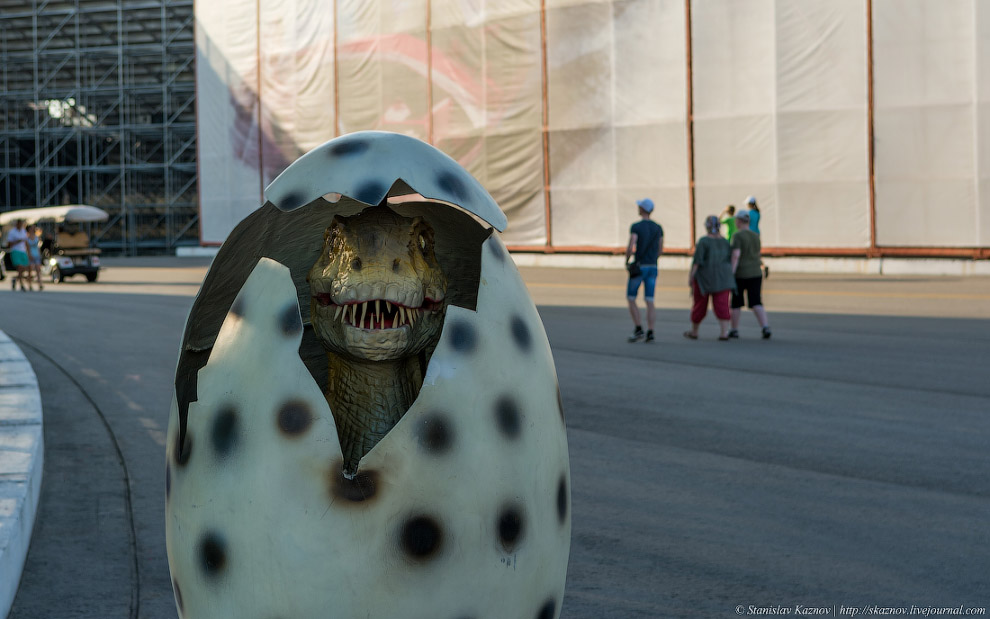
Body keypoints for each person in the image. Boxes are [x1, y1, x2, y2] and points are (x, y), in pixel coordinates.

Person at [684, 215, 735, 341]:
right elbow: (731, 258)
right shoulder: (724, 241)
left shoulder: (703, 241)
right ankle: (724, 332)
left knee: (700, 304)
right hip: (723, 278)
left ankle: (694, 331)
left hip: (704, 278)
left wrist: (691, 277)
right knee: (722, 304)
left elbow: (697, 261)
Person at [625, 198, 664, 342]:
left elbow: (631, 245)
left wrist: (628, 258)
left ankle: (638, 328)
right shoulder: (658, 228)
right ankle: (651, 330)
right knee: (650, 300)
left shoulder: (636, 226)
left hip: (640, 266)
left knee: (631, 298)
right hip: (653, 266)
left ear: (642, 209)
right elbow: (660, 249)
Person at [729, 210, 771, 339]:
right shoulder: (755, 236)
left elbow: (736, 255)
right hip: (756, 273)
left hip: (741, 273)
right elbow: (758, 254)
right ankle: (765, 326)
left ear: (739, 221)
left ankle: (734, 329)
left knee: (736, 303)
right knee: (756, 301)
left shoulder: (737, 236)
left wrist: (731, 273)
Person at [744, 195, 768, 278]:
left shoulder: (748, 213)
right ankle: (763, 266)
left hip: (750, 234)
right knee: (757, 251)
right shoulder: (757, 213)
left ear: (749, 204)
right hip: (757, 233)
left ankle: (752, 268)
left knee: (749, 251)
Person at [5, 219, 32, 291]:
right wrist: (17, 241)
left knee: (26, 268)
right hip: (15, 251)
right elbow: (9, 244)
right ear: (16, 224)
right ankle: (22, 285)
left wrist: (29, 253)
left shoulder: (23, 231)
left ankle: (16, 279)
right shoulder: (12, 232)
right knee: (20, 267)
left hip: (23, 251)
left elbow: (26, 242)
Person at [26, 224, 44, 291]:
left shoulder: (37, 237)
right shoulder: (27, 238)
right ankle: (30, 285)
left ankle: (40, 284)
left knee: (38, 269)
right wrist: (29, 255)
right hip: (30, 255)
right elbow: (27, 248)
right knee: (30, 271)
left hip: (36, 254)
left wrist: (40, 254)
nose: (33, 229)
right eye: (32, 228)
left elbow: (38, 247)